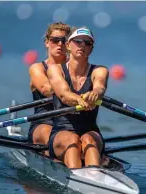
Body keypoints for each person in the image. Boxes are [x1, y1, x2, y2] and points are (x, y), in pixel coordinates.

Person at [47, 27, 109, 168]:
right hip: (62, 130)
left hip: (90, 130)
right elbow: (63, 94)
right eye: (78, 41)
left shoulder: (100, 70)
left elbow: (100, 86)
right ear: (68, 45)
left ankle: (94, 177)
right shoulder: (55, 69)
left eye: (88, 43)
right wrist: (80, 100)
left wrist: (95, 94)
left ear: (91, 49)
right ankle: (78, 179)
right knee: (73, 140)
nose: (82, 45)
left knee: (88, 140)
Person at [28, 22, 71, 148]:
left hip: (69, 125)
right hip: (43, 124)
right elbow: (47, 90)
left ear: (69, 45)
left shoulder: (75, 69)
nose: (60, 44)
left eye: (64, 40)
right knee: (52, 135)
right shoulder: (37, 68)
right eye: (55, 40)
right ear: (47, 42)